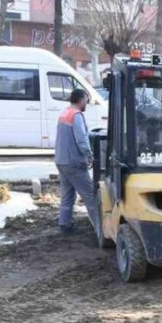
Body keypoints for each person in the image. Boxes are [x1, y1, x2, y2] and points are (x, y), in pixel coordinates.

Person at [54, 89, 101, 237]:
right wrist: (89, 155)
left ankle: (65, 225)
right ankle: (100, 230)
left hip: (61, 160)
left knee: (67, 195)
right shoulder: (77, 116)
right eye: (86, 100)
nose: (87, 103)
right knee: (90, 196)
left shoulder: (65, 113)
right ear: (81, 100)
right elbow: (81, 139)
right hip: (73, 162)